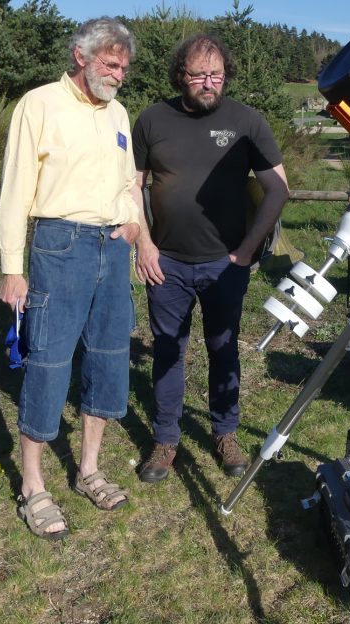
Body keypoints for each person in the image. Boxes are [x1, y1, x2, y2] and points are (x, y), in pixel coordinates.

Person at [0, 17, 141, 539]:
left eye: (124, 66)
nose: (118, 74)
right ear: (80, 56)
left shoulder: (119, 112)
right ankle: (33, 485)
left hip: (112, 247)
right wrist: (13, 268)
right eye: (110, 63)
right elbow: (16, 188)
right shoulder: (39, 105)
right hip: (60, 244)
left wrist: (132, 221)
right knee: (50, 360)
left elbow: (129, 180)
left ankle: (89, 469)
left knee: (107, 357)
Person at [132, 34, 290, 483]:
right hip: (166, 263)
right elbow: (132, 184)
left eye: (215, 75)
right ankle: (165, 441)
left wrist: (247, 249)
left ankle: (225, 432)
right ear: (180, 75)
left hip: (226, 263)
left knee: (223, 348)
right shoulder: (152, 120)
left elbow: (278, 188)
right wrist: (144, 244)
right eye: (199, 74)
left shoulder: (246, 120)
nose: (208, 83)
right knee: (168, 350)